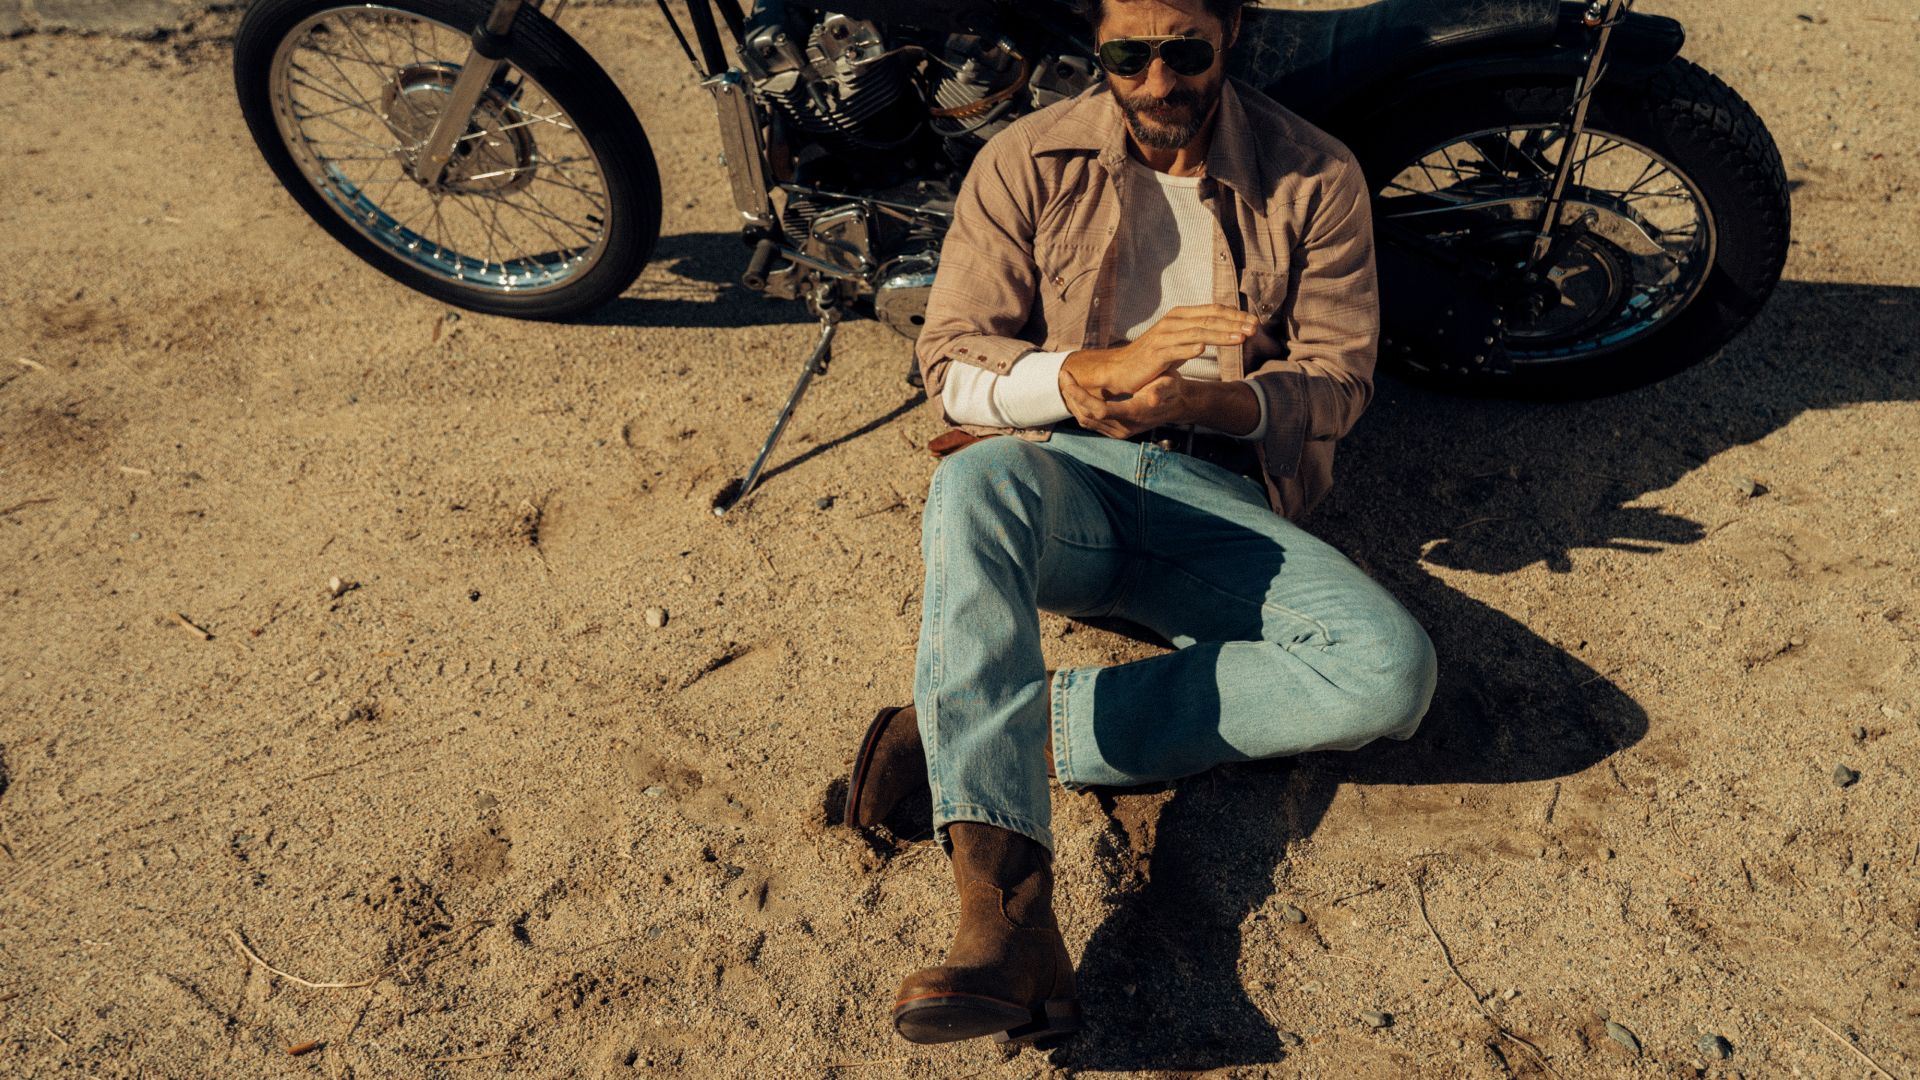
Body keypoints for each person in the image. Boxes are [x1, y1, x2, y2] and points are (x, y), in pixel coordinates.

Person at [841, 0, 1439, 1048]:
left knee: (1391, 673)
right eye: (1130, 53)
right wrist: (1083, 377)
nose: (1159, 80)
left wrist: (1210, 401)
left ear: (1232, 31)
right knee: (975, 483)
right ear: (1098, 46)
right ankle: (1008, 920)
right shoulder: (1026, 160)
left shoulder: (1315, 173)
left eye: (1186, 50)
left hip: (1224, 494)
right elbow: (951, 363)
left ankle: (974, 729)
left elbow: (1340, 382)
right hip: (1069, 470)